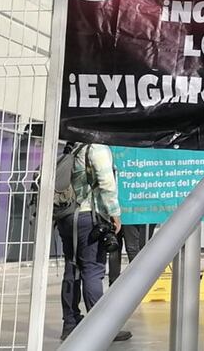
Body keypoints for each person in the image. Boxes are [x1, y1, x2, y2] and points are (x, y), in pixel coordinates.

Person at [55, 143, 131, 342]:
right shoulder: (96, 149)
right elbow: (106, 183)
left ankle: (70, 324)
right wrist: (115, 214)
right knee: (93, 270)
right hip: (89, 218)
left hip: (67, 218)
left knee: (72, 268)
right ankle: (101, 327)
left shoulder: (72, 148)